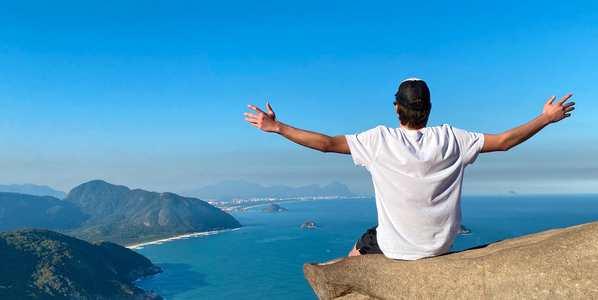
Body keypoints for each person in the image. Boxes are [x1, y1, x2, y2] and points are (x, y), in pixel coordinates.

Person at [244, 78, 575, 260]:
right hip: (441, 246)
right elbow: (504, 141)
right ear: (429, 109)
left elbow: (327, 143)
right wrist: (546, 118)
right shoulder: (453, 139)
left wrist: (278, 128)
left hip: (397, 250)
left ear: (396, 108)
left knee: (354, 254)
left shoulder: (378, 141)